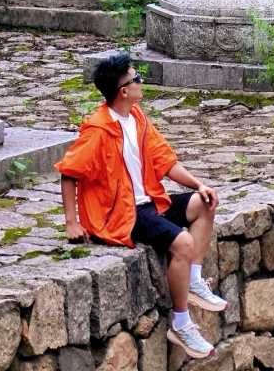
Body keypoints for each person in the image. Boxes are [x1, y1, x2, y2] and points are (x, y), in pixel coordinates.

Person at [55, 51, 227, 360]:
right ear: (123, 91)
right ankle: (181, 323)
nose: (141, 82)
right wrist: (72, 221)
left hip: (149, 202)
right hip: (122, 213)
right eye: (137, 79)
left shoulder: (137, 117)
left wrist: (198, 185)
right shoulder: (98, 129)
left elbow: (165, 161)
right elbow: (69, 172)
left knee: (204, 204)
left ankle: (194, 281)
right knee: (183, 243)